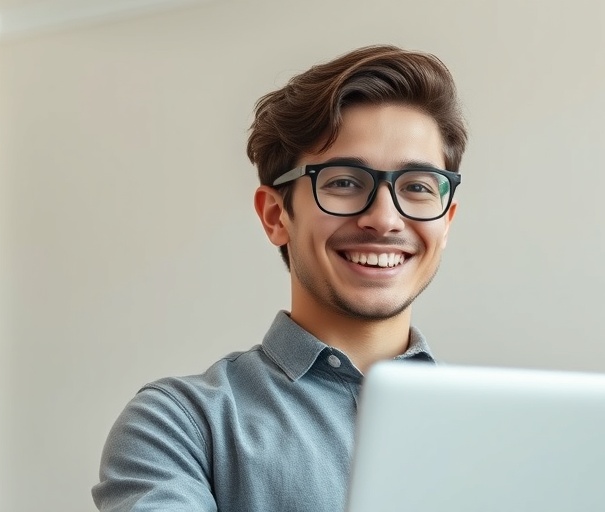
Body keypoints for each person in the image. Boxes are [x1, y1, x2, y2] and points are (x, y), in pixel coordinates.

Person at [92, 44, 468, 512]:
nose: (385, 219)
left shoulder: (500, 432)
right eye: (345, 182)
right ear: (275, 215)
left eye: (416, 187)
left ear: (446, 220)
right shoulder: (179, 425)